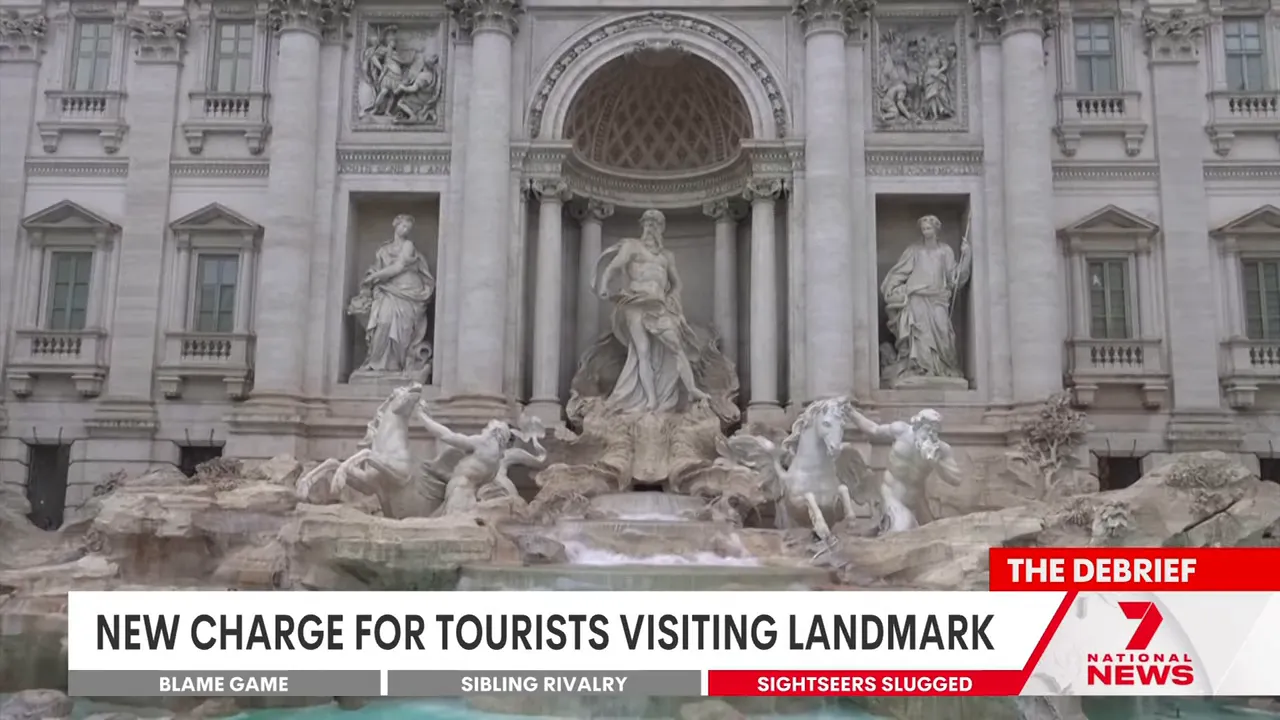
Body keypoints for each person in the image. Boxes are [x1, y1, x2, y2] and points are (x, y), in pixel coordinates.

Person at [593, 210, 709, 413]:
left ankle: (691, 389)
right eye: (647, 223)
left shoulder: (666, 257)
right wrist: (604, 285)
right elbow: (613, 267)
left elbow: (676, 284)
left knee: (676, 347)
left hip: (658, 306)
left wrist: (672, 300)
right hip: (635, 304)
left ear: (661, 229)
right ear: (642, 226)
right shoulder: (632, 247)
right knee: (642, 352)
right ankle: (651, 400)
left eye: (655, 224)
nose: (650, 227)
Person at [879, 214, 970, 381]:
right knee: (919, 334)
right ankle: (921, 369)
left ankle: (943, 368)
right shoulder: (914, 251)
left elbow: (955, 279)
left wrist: (966, 257)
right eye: (923, 229)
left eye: (928, 228)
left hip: (939, 298)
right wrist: (892, 288)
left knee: (943, 331)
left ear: (936, 229)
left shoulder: (945, 251)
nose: (925, 231)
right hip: (917, 297)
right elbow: (899, 273)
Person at [843, 407, 964, 532]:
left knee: (934, 534)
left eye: (934, 430)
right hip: (892, 495)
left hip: (917, 502)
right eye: (927, 429)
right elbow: (873, 429)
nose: (930, 434)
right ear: (917, 425)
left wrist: (936, 462)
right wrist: (851, 413)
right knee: (902, 528)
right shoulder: (901, 431)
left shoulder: (941, 449)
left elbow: (956, 479)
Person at [352, 214, 435, 373]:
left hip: (408, 292)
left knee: (401, 330)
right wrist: (371, 277)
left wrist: (375, 277)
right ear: (395, 226)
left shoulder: (408, 245)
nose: (405, 230)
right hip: (387, 291)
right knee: (383, 322)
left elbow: (398, 267)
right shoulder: (383, 249)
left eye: (408, 228)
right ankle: (376, 363)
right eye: (403, 226)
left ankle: (396, 365)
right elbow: (376, 268)